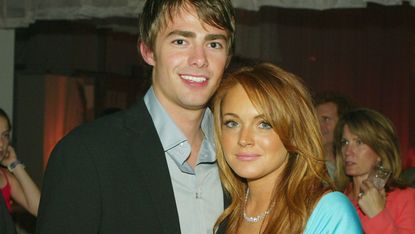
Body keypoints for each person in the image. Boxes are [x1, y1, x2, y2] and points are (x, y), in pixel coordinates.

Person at [36, 0, 235, 233]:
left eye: (213, 44)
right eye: (180, 41)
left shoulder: (240, 155)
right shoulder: (86, 153)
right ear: (148, 51)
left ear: (227, 57)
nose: (199, 59)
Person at [212, 63, 362, 234]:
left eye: (264, 124)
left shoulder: (328, 211)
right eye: (232, 123)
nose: (244, 139)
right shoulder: (224, 210)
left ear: (294, 132)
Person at [333, 108, 415, 233]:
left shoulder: (405, 199)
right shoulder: (335, 199)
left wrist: (377, 214)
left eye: (359, 142)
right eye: (345, 142)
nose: (348, 151)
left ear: (380, 152)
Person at [0, 108, 40, 217]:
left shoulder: (6, 178)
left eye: (5, 135)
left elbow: (39, 209)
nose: (1, 144)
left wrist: (14, 164)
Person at [314, 91, 356, 178]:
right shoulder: (307, 164)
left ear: (342, 122)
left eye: (326, 119)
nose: (319, 126)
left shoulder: (354, 163)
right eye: (315, 120)